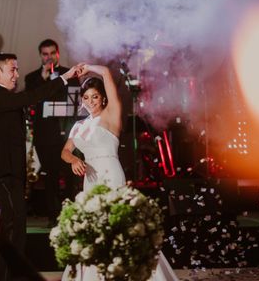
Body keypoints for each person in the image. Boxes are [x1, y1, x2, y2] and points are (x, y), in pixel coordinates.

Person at [60, 64, 177, 281]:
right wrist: (74, 159)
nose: (90, 101)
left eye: (95, 96)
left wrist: (87, 68)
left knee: (119, 224)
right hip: (90, 179)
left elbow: (105, 72)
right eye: (86, 97)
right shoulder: (78, 126)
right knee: (93, 225)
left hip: (110, 173)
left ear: (103, 98)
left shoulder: (111, 115)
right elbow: (65, 152)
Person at [0, 52, 81, 280]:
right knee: (11, 233)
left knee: (15, 234)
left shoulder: (0, 95)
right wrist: (64, 78)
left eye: (17, 69)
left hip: (10, 173)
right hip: (2, 174)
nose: (17, 74)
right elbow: (31, 96)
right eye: (12, 69)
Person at [24, 39, 78, 226]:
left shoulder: (68, 74)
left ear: (58, 54)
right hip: (44, 133)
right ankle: (53, 216)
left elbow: (74, 100)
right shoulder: (32, 78)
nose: (49, 57)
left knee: (69, 175)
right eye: (45, 54)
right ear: (40, 56)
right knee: (50, 175)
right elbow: (33, 98)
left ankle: (71, 214)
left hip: (66, 131)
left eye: (52, 53)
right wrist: (45, 77)